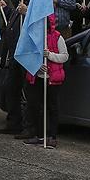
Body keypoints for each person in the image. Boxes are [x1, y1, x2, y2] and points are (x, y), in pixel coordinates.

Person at [0, 0, 33, 137]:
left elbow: (43, 22)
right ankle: (13, 122)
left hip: (27, 55)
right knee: (11, 90)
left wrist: (28, 11)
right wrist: (7, 9)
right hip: (14, 54)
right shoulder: (20, 4)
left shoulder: (35, 3)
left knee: (28, 93)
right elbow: (15, 21)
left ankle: (29, 127)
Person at [22, 15, 69, 148]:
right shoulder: (33, 38)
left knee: (52, 108)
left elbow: (65, 56)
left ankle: (52, 137)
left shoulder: (58, 37)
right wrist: (36, 66)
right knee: (36, 107)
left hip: (52, 79)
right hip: (37, 78)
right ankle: (39, 135)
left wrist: (50, 56)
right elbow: (28, 55)